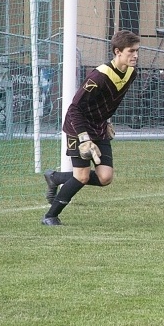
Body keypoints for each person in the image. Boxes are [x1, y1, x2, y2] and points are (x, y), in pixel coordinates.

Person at [41, 30, 140, 225]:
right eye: (131, 51)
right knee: (82, 177)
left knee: (105, 177)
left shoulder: (131, 73)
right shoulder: (99, 76)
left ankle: (55, 177)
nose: (135, 55)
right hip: (77, 127)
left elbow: (109, 100)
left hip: (99, 127)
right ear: (118, 52)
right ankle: (50, 216)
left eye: (137, 51)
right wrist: (84, 138)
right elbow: (74, 108)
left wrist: (106, 120)